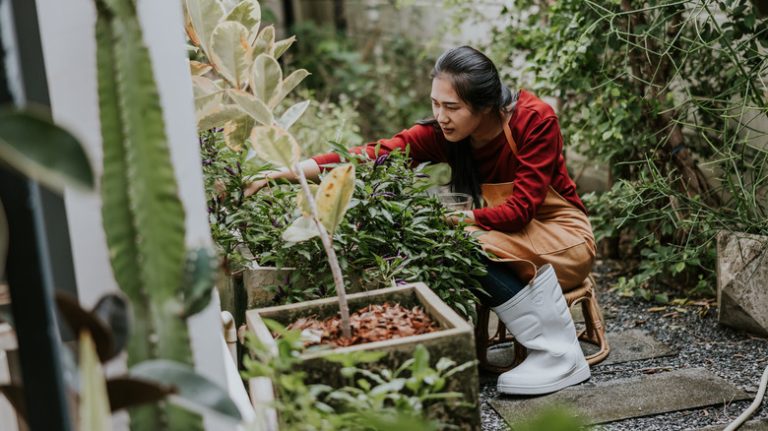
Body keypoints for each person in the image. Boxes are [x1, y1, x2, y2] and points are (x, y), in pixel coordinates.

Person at [246, 46, 596, 396]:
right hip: (513, 239)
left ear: (486, 105)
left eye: (452, 107)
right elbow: (371, 154)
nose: (441, 116)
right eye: (436, 104)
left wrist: (455, 219)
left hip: (565, 240)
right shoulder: (448, 137)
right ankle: (539, 342)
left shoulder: (534, 120)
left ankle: (559, 353)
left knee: (457, 240)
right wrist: (283, 172)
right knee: (450, 241)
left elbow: (521, 211)